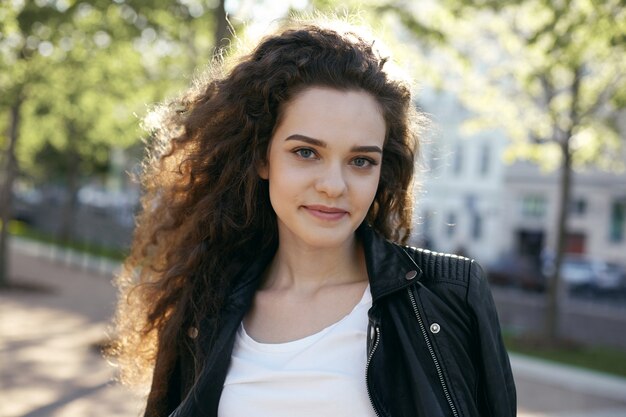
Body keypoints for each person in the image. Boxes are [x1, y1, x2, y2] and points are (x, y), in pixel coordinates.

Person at [112, 17, 516, 417]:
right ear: (261, 157)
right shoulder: (204, 303)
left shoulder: (449, 298)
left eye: (361, 161)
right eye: (306, 152)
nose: (334, 185)